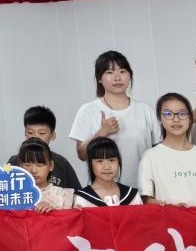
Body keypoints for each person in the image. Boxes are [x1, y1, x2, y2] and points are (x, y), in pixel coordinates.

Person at [68, 51, 159, 189]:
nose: (117, 77)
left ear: (130, 75)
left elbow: (159, 152)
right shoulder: (88, 110)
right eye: (109, 72)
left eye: (122, 71)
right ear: (99, 78)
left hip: (143, 189)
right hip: (103, 192)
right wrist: (101, 133)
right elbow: (82, 154)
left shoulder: (145, 110)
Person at [139, 93, 196, 207]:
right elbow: (146, 199)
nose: (176, 119)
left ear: (190, 118)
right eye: (168, 114)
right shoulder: (150, 156)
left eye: (182, 114)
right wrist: (171, 208)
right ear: (159, 119)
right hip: (169, 218)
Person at [7, 106, 82, 191]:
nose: (35, 137)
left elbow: (77, 194)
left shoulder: (62, 163)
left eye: (42, 133)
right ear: (25, 133)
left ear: (52, 135)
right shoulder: (14, 162)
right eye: (30, 132)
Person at [74, 137, 142, 207]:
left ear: (119, 162)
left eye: (111, 160)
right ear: (90, 164)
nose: (107, 167)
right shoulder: (82, 198)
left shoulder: (132, 195)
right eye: (100, 161)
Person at [15, 138, 75, 212]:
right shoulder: (13, 195)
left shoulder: (64, 195)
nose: (34, 170)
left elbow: (70, 218)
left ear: (51, 165)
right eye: (27, 165)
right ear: (20, 166)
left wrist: (53, 212)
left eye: (40, 165)